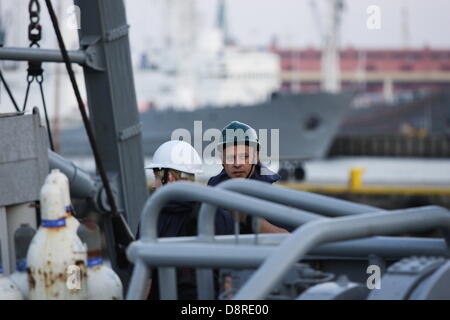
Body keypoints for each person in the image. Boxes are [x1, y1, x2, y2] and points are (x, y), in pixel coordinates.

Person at [139, 140, 235, 299]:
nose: (154, 185)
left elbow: (144, 284)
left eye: (156, 177)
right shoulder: (220, 215)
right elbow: (230, 283)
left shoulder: (153, 218)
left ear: (168, 177)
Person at [208, 121, 292, 234]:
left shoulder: (273, 195)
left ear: (256, 157)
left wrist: (248, 218)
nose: (237, 164)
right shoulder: (211, 192)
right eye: (230, 157)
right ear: (222, 159)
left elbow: (289, 238)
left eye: (244, 156)